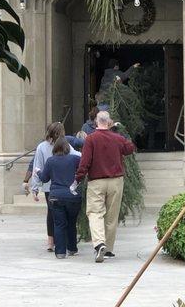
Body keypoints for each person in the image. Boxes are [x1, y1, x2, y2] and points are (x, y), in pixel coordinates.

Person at [72, 111, 135, 263]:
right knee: (111, 217)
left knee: (95, 213)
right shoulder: (118, 138)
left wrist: (78, 179)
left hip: (96, 181)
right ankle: (108, 249)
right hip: (116, 181)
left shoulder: (91, 139)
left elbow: (85, 162)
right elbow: (130, 148)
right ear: (109, 122)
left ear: (95, 122)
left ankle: (99, 243)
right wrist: (120, 132)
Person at [31, 122, 82, 252]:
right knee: (65, 217)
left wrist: (35, 187)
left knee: (52, 214)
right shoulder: (65, 145)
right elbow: (77, 155)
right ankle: (64, 243)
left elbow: (38, 167)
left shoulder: (41, 147)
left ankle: (51, 242)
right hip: (63, 185)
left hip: (50, 187)